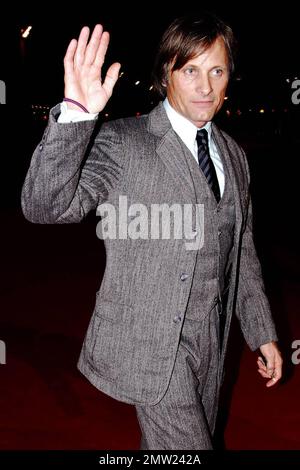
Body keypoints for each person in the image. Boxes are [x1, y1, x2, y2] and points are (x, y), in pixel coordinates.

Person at [21, 13, 283, 450]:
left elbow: (243, 251)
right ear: (167, 74)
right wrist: (76, 116)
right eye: (190, 70)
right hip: (149, 342)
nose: (205, 86)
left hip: (211, 343)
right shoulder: (127, 142)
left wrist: (262, 332)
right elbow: (44, 206)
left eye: (216, 71)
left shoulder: (234, 156)